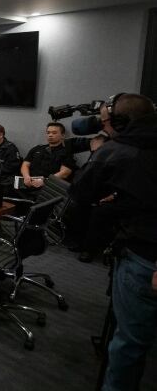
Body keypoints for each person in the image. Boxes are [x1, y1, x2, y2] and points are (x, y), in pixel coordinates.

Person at [68, 94, 157, 391]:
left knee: (127, 345)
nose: (103, 125)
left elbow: (81, 193)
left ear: (119, 122)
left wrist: (97, 150)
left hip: (143, 257)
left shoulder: (119, 149)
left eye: (106, 120)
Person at [20, 122, 77, 189]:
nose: (50, 135)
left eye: (54, 133)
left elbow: (64, 173)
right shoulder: (37, 148)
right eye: (48, 132)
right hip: (29, 182)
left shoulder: (66, 152)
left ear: (63, 135)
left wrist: (45, 181)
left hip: (48, 186)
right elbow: (25, 164)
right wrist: (26, 177)